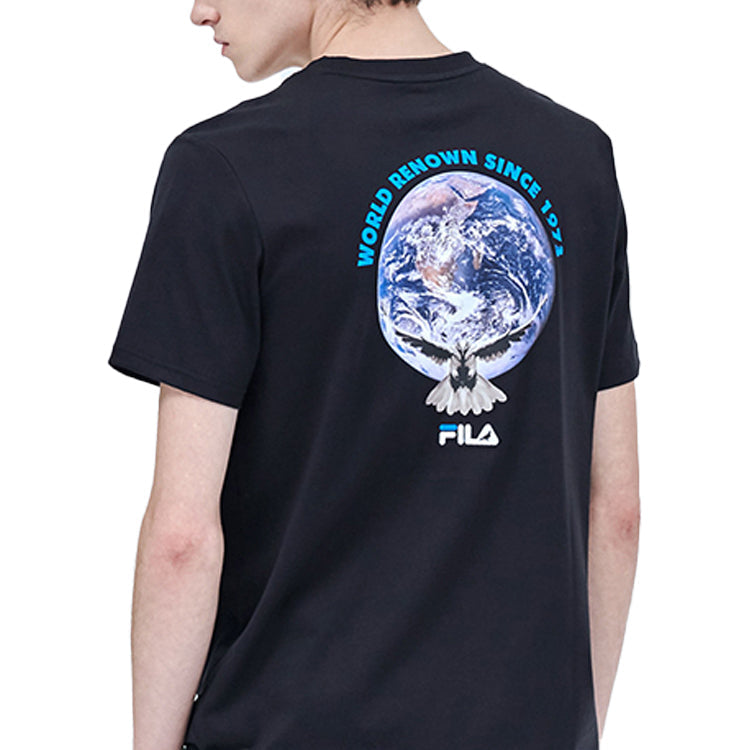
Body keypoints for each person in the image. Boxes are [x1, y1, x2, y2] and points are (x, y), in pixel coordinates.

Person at [108, 1, 641, 748]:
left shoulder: (226, 168)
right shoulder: (578, 158)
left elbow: (183, 540)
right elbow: (615, 509)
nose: (200, 11)